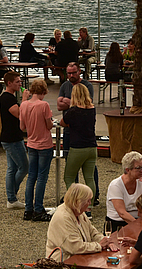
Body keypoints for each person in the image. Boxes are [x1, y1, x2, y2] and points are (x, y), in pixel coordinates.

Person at [57, 63, 98, 204]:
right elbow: (59, 105)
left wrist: (66, 103)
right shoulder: (91, 109)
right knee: (89, 177)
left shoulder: (73, 111)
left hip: (78, 146)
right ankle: (90, 204)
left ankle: (75, 201)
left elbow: (62, 122)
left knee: (69, 176)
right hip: (92, 146)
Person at [45, 183, 117, 260]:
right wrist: (99, 246)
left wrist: (106, 242)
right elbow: (76, 247)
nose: (90, 203)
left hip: (80, 257)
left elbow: (93, 233)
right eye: (88, 200)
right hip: (64, 262)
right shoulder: (63, 217)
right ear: (79, 201)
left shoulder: (78, 212)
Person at [19, 79, 53, 222]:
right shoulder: (44, 105)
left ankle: (28, 208)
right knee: (42, 177)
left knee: (31, 176)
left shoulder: (24, 105)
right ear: (43, 91)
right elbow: (49, 125)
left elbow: (22, 127)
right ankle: (38, 208)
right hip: (44, 143)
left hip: (31, 143)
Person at [0, 71, 28, 210]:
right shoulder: (7, 98)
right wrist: (24, 100)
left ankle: (11, 197)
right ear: (9, 83)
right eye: (17, 82)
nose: (20, 84)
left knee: (13, 168)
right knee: (24, 166)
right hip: (12, 138)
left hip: (13, 136)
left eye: (20, 81)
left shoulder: (9, 97)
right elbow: (19, 114)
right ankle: (11, 195)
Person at [105, 151, 142, 231]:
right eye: (138, 168)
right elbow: (122, 213)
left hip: (138, 219)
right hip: (118, 223)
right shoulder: (115, 185)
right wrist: (139, 226)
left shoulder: (141, 182)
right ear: (127, 170)